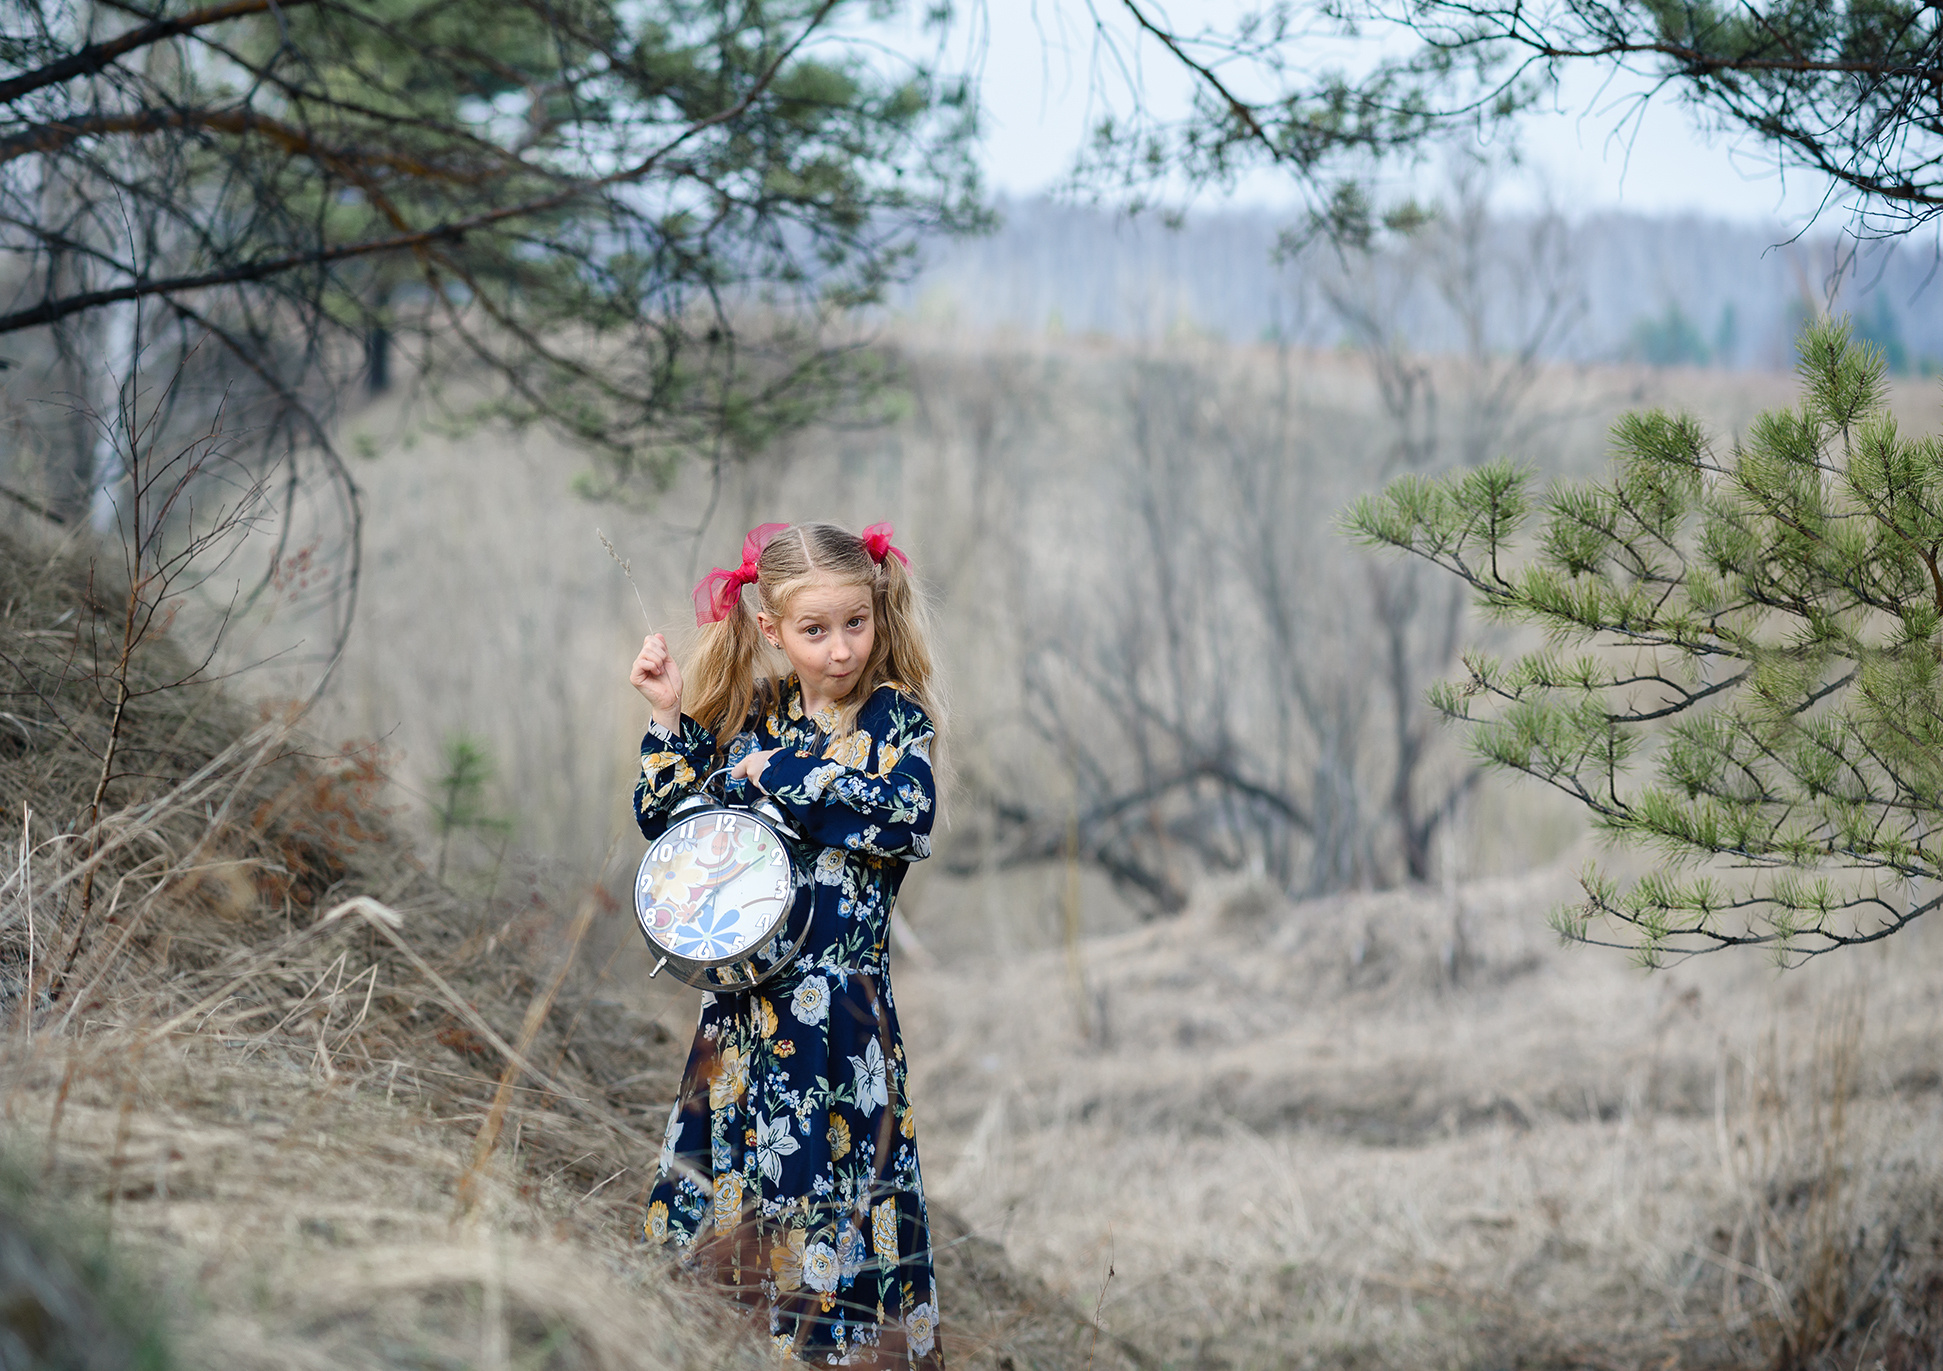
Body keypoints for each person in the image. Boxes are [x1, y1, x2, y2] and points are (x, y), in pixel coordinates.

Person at [629, 520, 946, 1368]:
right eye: (814, 629)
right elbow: (679, 828)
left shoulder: (892, 721)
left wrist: (785, 776)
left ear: (876, 614)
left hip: (840, 1027)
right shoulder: (755, 716)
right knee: (728, 1197)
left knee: (836, 1205)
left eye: (855, 623)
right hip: (741, 1018)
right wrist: (668, 715)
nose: (840, 648)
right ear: (772, 630)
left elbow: (902, 818)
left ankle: (837, 1353)